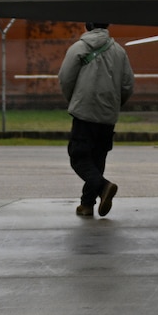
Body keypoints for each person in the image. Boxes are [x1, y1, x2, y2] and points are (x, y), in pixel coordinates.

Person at [59, 21, 134, 218]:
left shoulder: (78, 48)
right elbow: (127, 85)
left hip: (84, 111)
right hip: (108, 114)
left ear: (87, 26)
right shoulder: (119, 51)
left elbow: (65, 78)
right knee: (98, 158)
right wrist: (115, 103)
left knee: (78, 156)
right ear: (107, 25)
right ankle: (87, 205)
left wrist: (74, 100)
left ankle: (103, 186)